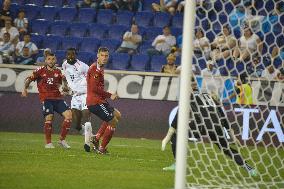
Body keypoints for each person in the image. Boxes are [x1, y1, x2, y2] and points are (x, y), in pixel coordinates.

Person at [161, 76, 257, 177]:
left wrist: (168, 135)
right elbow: (221, 114)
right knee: (226, 149)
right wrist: (231, 134)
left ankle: (178, 165)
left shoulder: (188, 96)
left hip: (203, 125)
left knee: (176, 134)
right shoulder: (209, 95)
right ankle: (250, 169)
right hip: (217, 126)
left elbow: (178, 116)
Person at [21, 53, 72, 149]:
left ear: (55, 60)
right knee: (49, 117)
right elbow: (28, 79)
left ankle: (62, 140)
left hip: (58, 98)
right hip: (46, 98)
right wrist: (24, 89)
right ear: (46, 60)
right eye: (49, 59)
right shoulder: (40, 71)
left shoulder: (59, 71)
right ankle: (48, 143)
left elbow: (64, 84)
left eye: (53, 59)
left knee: (69, 116)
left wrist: (65, 88)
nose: (51, 61)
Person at [86, 47, 121, 154]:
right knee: (113, 121)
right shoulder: (94, 69)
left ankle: (96, 138)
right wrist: (110, 95)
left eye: (106, 56)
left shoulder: (100, 67)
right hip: (95, 102)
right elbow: (94, 89)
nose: (104, 58)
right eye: (102, 55)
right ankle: (102, 148)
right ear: (97, 55)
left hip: (100, 100)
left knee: (117, 115)